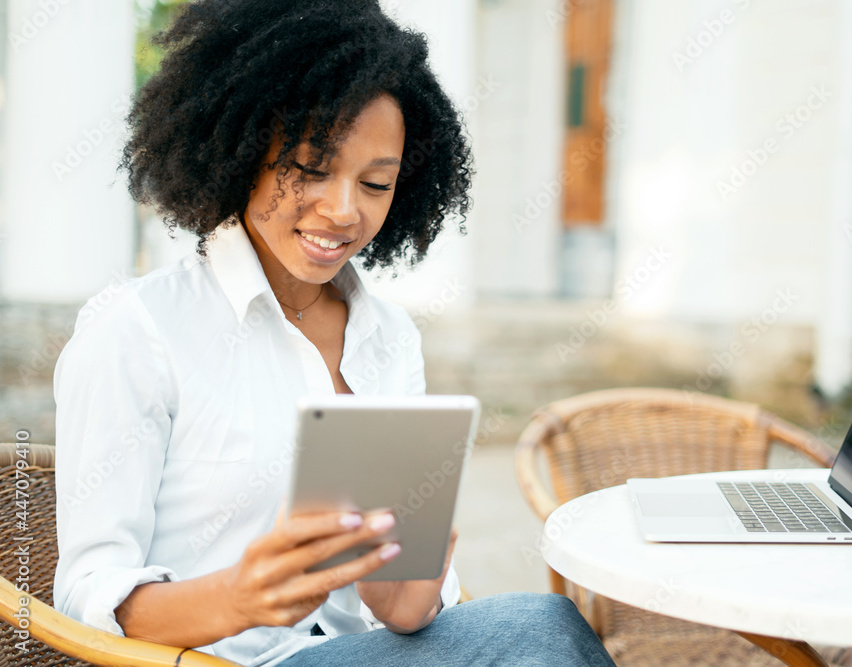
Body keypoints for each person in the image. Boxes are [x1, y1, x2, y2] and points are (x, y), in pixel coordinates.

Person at [52, 1, 615, 665]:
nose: (344, 209)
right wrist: (236, 595)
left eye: (376, 182)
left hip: (363, 652)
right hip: (224, 659)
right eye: (313, 168)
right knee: (538, 629)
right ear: (238, 150)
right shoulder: (137, 330)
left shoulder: (389, 337)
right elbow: (84, 594)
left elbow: (403, 611)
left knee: (541, 626)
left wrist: (411, 594)